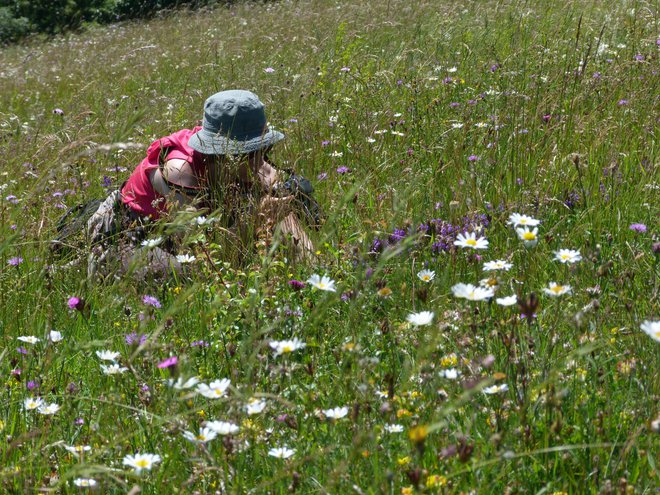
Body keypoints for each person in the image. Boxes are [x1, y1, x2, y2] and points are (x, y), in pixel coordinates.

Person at [78, 89, 318, 279]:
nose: (258, 161)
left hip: (187, 231)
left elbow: (279, 206)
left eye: (262, 149)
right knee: (190, 276)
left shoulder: (253, 162)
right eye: (246, 153)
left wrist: (280, 206)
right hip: (131, 235)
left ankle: (319, 273)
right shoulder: (179, 173)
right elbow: (208, 256)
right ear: (220, 152)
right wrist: (255, 218)